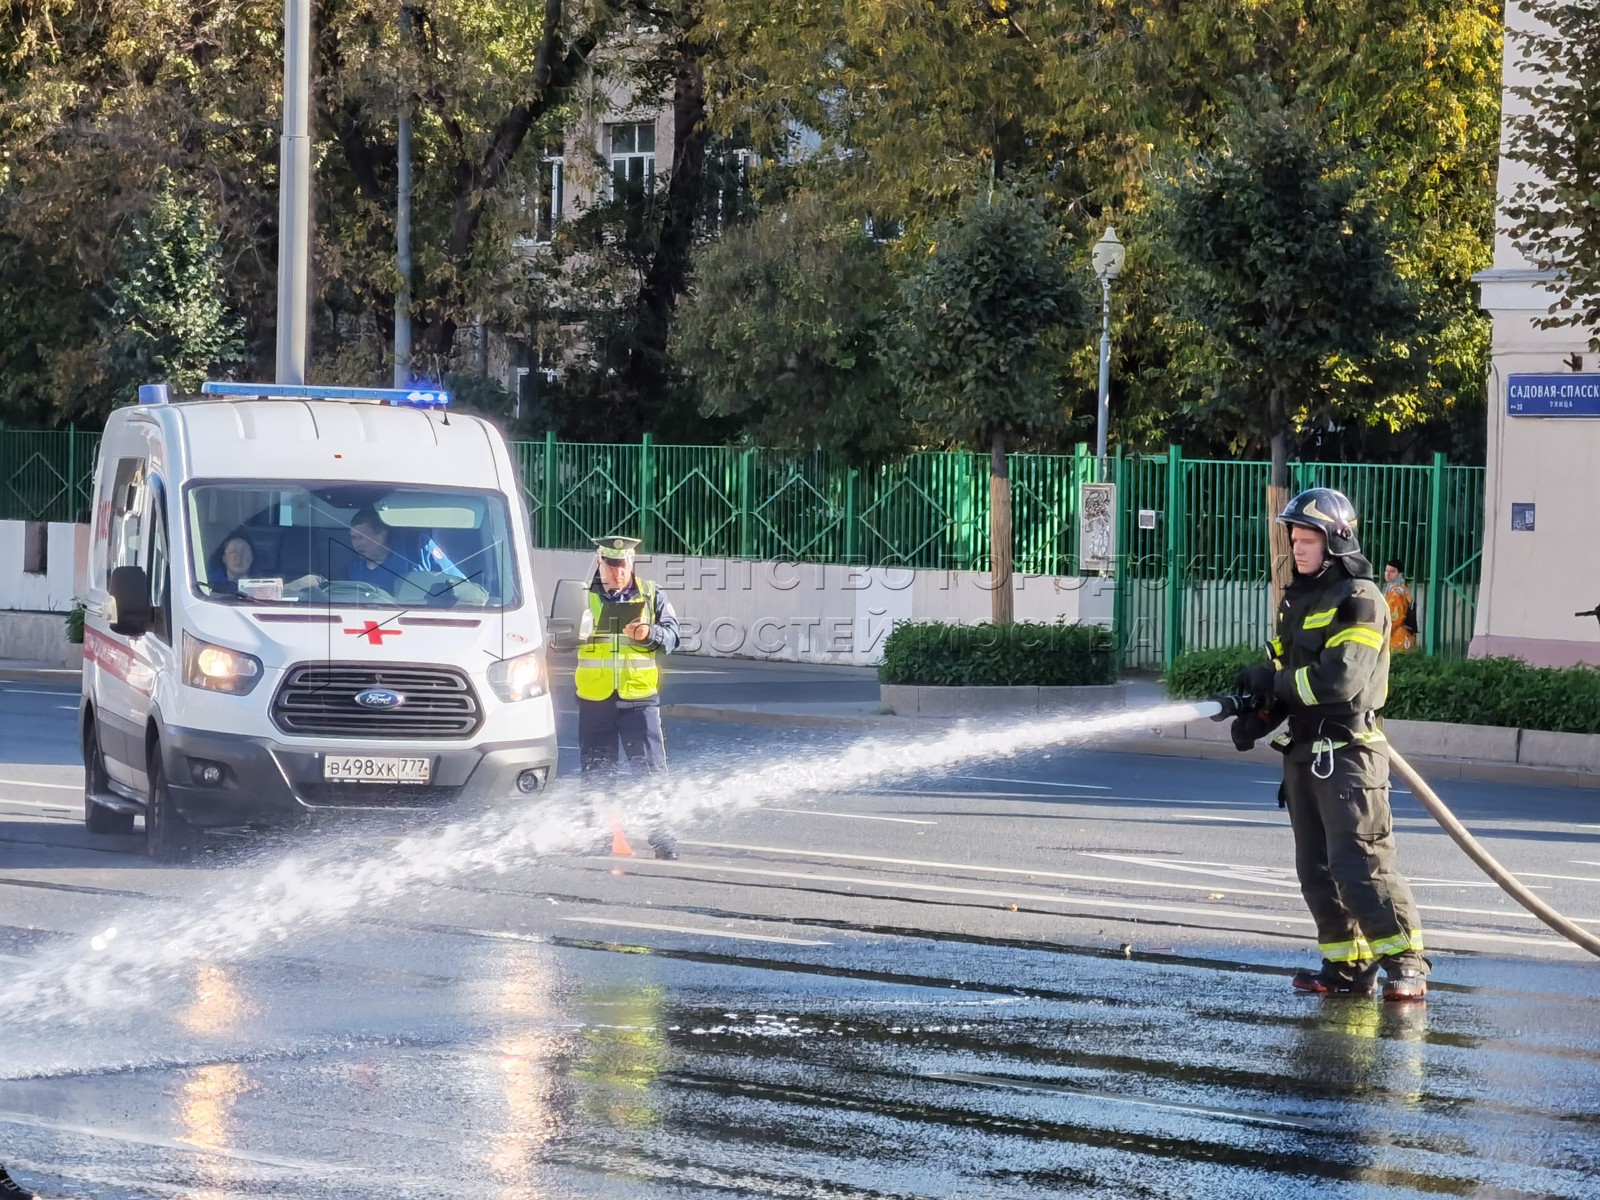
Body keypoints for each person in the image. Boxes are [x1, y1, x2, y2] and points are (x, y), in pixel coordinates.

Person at [1230, 487, 1429, 1001]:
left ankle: (1406, 963)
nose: (1297, 548)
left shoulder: (1361, 599)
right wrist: (1259, 714)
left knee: (1359, 863)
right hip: (1304, 751)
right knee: (1315, 870)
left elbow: (1338, 681)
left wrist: (1274, 686)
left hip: (1348, 753)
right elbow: (1284, 671)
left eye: (1308, 539)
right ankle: (1347, 966)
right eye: (1294, 538)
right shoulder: (1296, 601)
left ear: (1336, 540)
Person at [575, 536, 681, 860]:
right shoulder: (580, 595)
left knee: (650, 772)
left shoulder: (651, 593)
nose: (619, 572)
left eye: (624, 565)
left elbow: (674, 636)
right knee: (596, 772)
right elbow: (556, 636)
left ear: (632, 563)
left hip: (639, 699)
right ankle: (597, 838)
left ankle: (663, 840)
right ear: (600, 562)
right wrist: (574, 632)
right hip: (596, 698)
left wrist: (650, 634)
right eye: (612, 565)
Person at [1383, 558, 1418, 653]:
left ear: (1399, 574)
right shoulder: (1402, 589)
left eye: (1392, 571)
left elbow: (1396, 618)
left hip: (1398, 638)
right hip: (1404, 635)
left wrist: (1384, 632)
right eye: (1386, 571)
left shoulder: (1396, 592)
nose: (1388, 574)